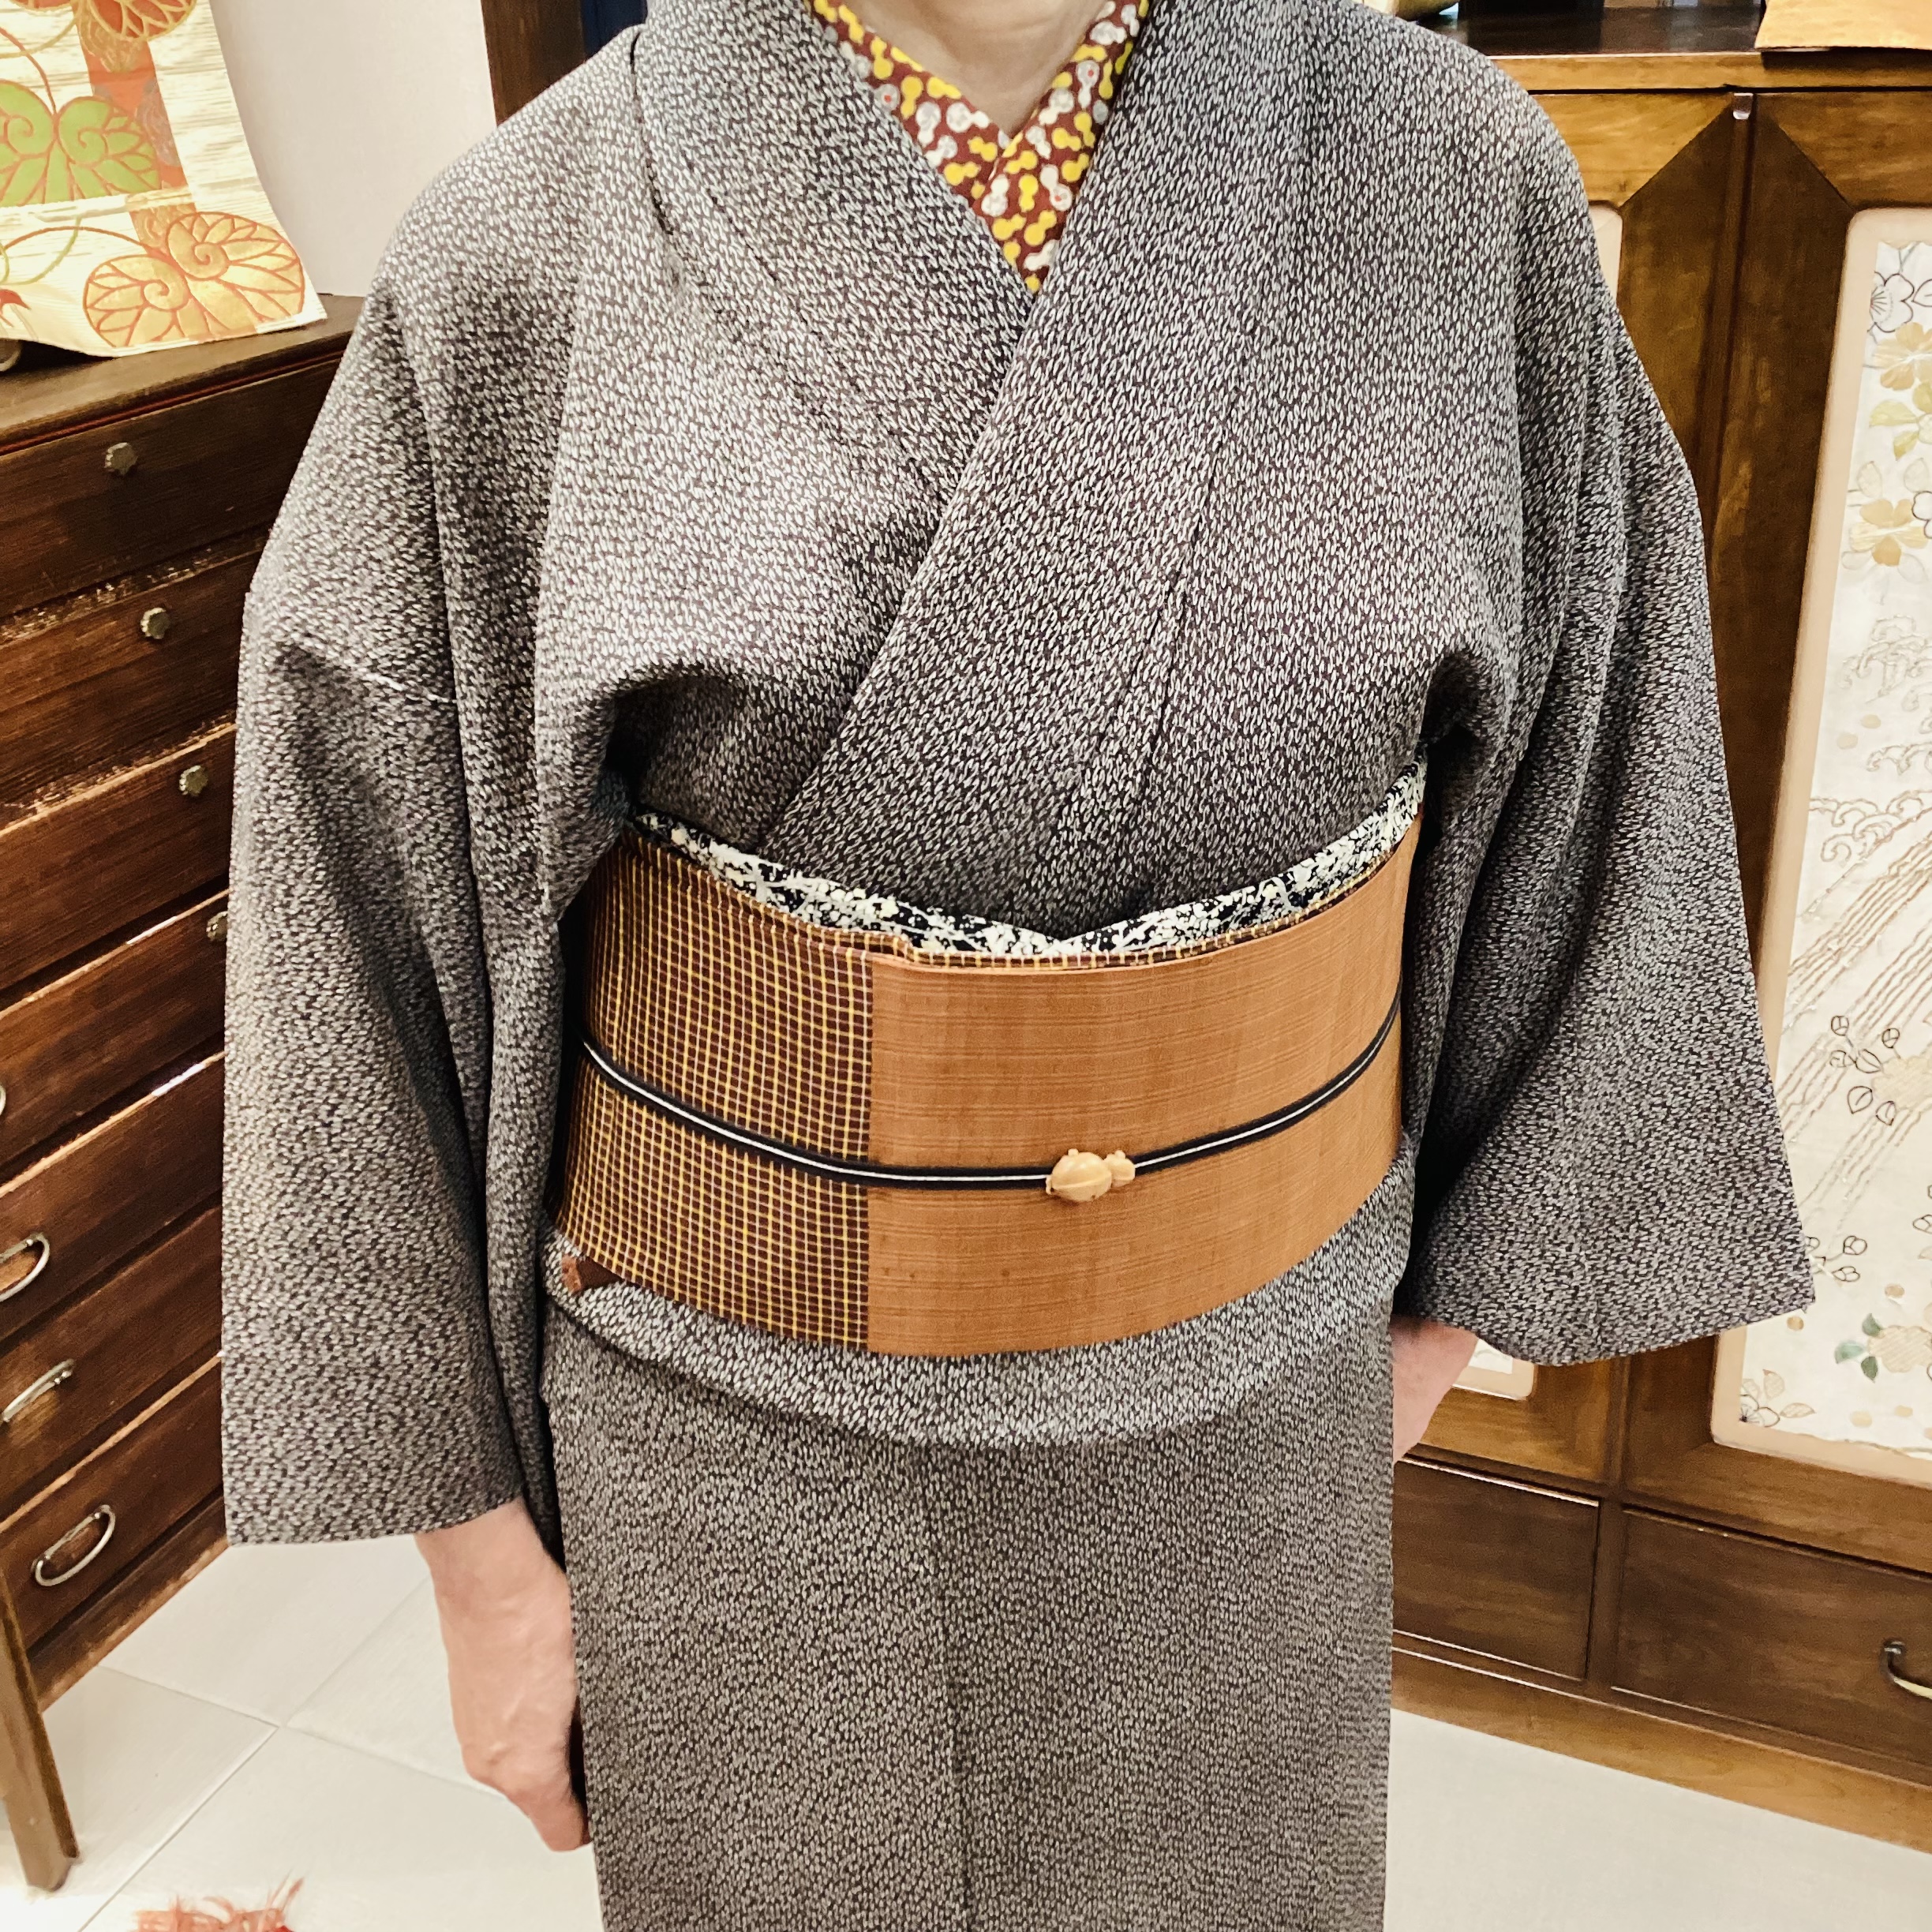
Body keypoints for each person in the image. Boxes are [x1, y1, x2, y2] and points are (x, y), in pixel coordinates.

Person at [219, 0, 1812, 1926]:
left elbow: (1596, 752)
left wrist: (1435, 1325)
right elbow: (353, 929)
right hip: (735, 1437)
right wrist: (484, 1573)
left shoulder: (1452, 175)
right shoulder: (525, 241)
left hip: (1253, 1398)